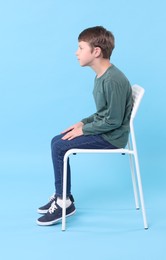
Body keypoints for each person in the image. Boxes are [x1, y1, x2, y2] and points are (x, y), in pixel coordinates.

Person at [37, 26, 133, 226]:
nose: (76, 52)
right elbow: (104, 113)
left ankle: (64, 202)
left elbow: (114, 120)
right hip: (106, 130)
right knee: (57, 140)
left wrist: (84, 130)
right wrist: (83, 122)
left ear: (96, 51)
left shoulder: (113, 80)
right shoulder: (101, 77)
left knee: (59, 146)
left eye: (80, 48)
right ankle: (63, 196)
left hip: (112, 137)